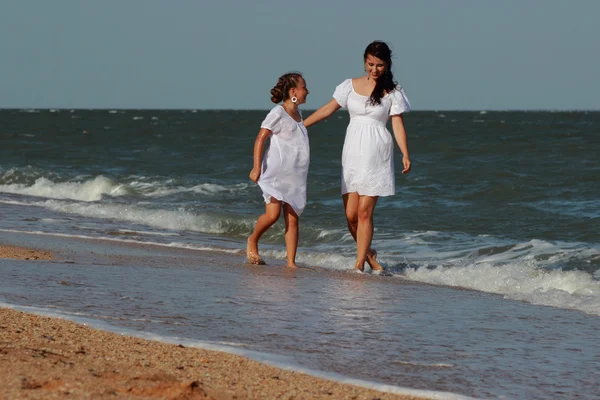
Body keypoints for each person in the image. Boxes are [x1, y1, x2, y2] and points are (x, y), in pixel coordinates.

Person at [303, 41, 411, 272]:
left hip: (377, 152)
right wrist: (302, 126)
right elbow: (328, 108)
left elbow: (398, 124)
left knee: (364, 213)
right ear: (364, 62)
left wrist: (405, 154)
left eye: (380, 65)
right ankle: (370, 255)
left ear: (387, 65)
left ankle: (359, 265)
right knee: (351, 215)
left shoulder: (393, 91)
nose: (374, 69)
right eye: (371, 64)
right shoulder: (348, 86)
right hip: (352, 152)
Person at [247, 72, 310, 268]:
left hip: (296, 175)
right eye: (304, 87)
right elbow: (260, 138)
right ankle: (252, 240)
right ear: (293, 91)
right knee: (273, 215)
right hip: (277, 173)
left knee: (293, 218)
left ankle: (291, 262)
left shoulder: (299, 115)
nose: (307, 91)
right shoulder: (278, 112)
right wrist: (256, 167)